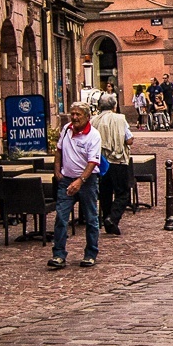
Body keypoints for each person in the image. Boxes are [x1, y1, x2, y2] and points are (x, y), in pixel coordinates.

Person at [48, 102, 101, 269]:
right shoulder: (66, 130)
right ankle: (58, 255)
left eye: (78, 114)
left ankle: (90, 253)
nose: (75, 118)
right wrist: (57, 171)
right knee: (61, 218)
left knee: (91, 218)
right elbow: (58, 150)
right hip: (66, 180)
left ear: (87, 117)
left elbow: (93, 162)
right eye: (73, 114)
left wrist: (80, 181)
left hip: (87, 181)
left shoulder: (93, 136)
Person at [92, 93, 132, 236]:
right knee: (123, 192)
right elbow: (129, 139)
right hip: (118, 160)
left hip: (99, 162)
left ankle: (108, 222)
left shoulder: (93, 120)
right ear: (114, 106)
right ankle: (112, 218)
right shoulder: (120, 119)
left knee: (105, 193)